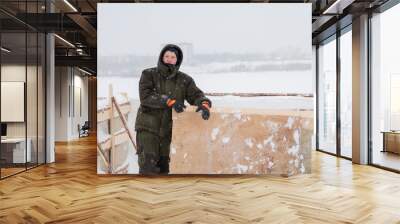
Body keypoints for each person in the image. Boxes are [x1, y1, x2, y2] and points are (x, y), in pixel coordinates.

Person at [135, 44, 212, 175]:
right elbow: (145, 97)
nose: (169, 59)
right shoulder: (148, 74)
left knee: (165, 169)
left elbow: (196, 95)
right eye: (166, 56)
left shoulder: (184, 80)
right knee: (147, 168)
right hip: (148, 129)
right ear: (161, 57)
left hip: (169, 131)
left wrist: (204, 103)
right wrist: (169, 101)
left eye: (173, 57)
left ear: (178, 60)